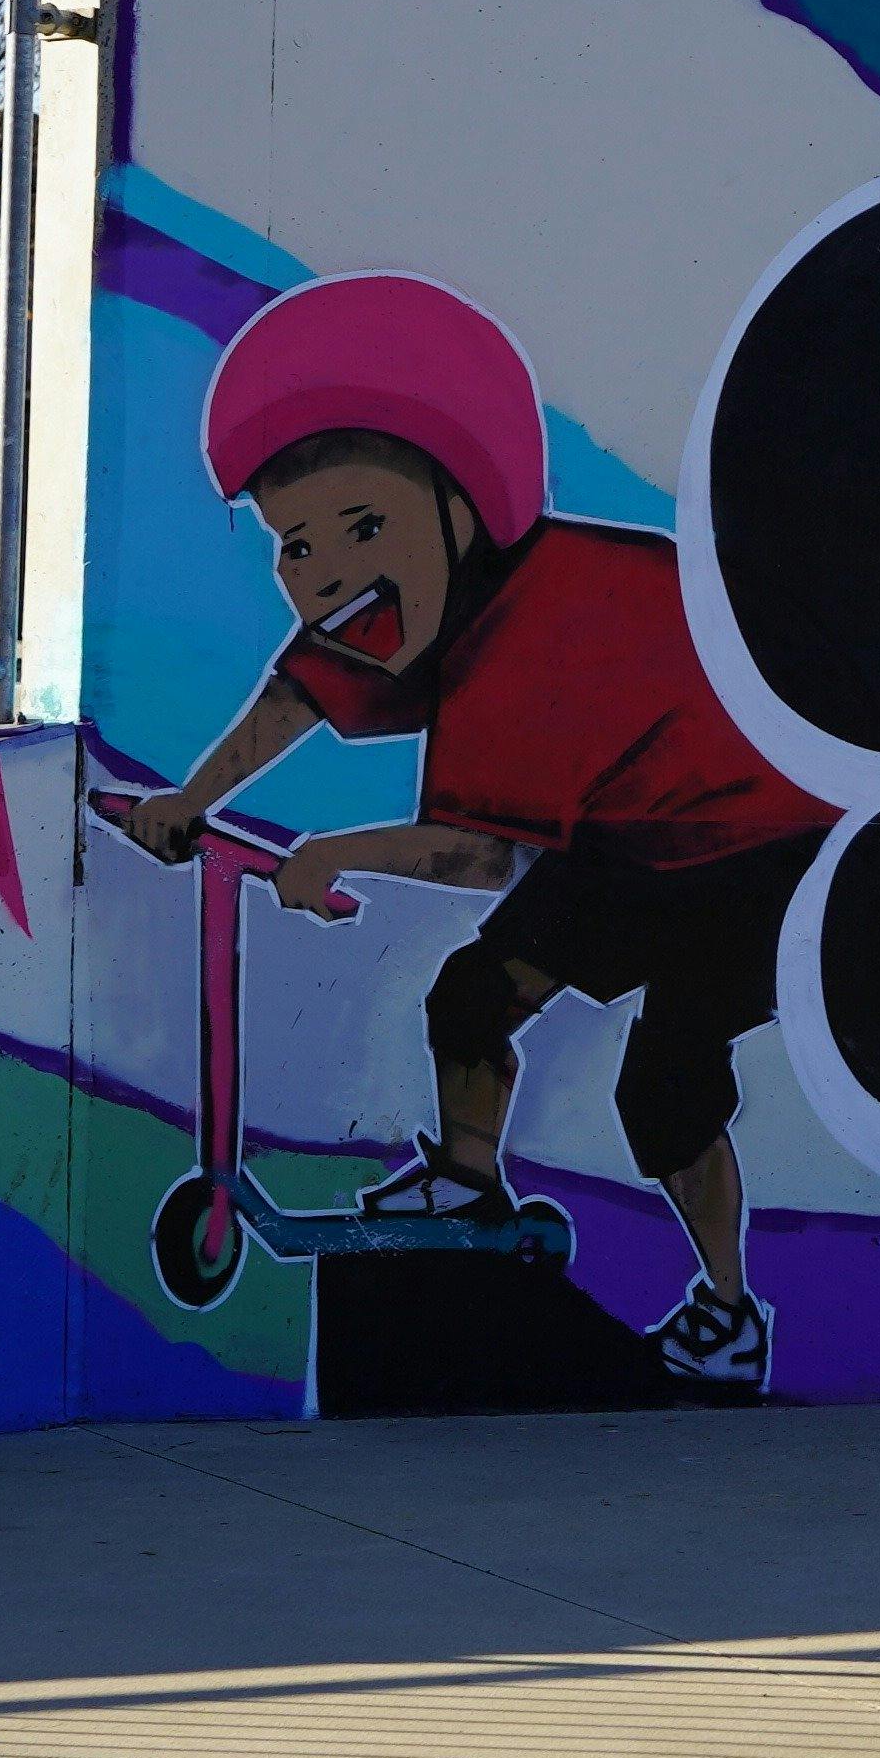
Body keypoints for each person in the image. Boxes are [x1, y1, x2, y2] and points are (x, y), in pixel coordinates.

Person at [114, 272, 828, 1394]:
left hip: (758, 848)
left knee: (665, 1088)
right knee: (472, 998)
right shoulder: (427, 607)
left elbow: (478, 852)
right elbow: (299, 691)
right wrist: (187, 801)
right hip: (630, 836)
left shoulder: (529, 628)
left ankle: (729, 1312)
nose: (327, 571)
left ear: (461, 512)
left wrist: (336, 851)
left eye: (362, 526)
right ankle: (465, 1177)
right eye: (296, 546)